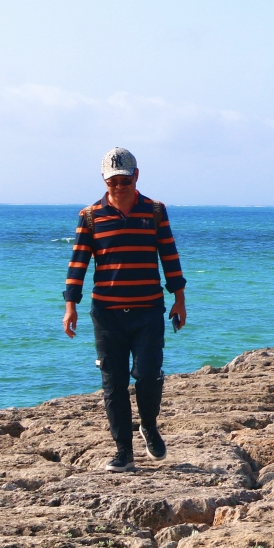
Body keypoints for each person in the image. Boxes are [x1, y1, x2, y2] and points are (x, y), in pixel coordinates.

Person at [62, 147, 187, 472]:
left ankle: (148, 425)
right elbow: (78, 262)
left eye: (125, 180)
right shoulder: (90, 216)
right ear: (105, 181)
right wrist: (70, 305)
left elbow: (169, 256)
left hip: (148, 310)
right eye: (113, 181)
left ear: (136, 176)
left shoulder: (155, 211)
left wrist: (179, 298)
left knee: (148, 375)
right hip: (107, 314)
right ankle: (123, 452)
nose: (119, 187)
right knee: (113, 383)